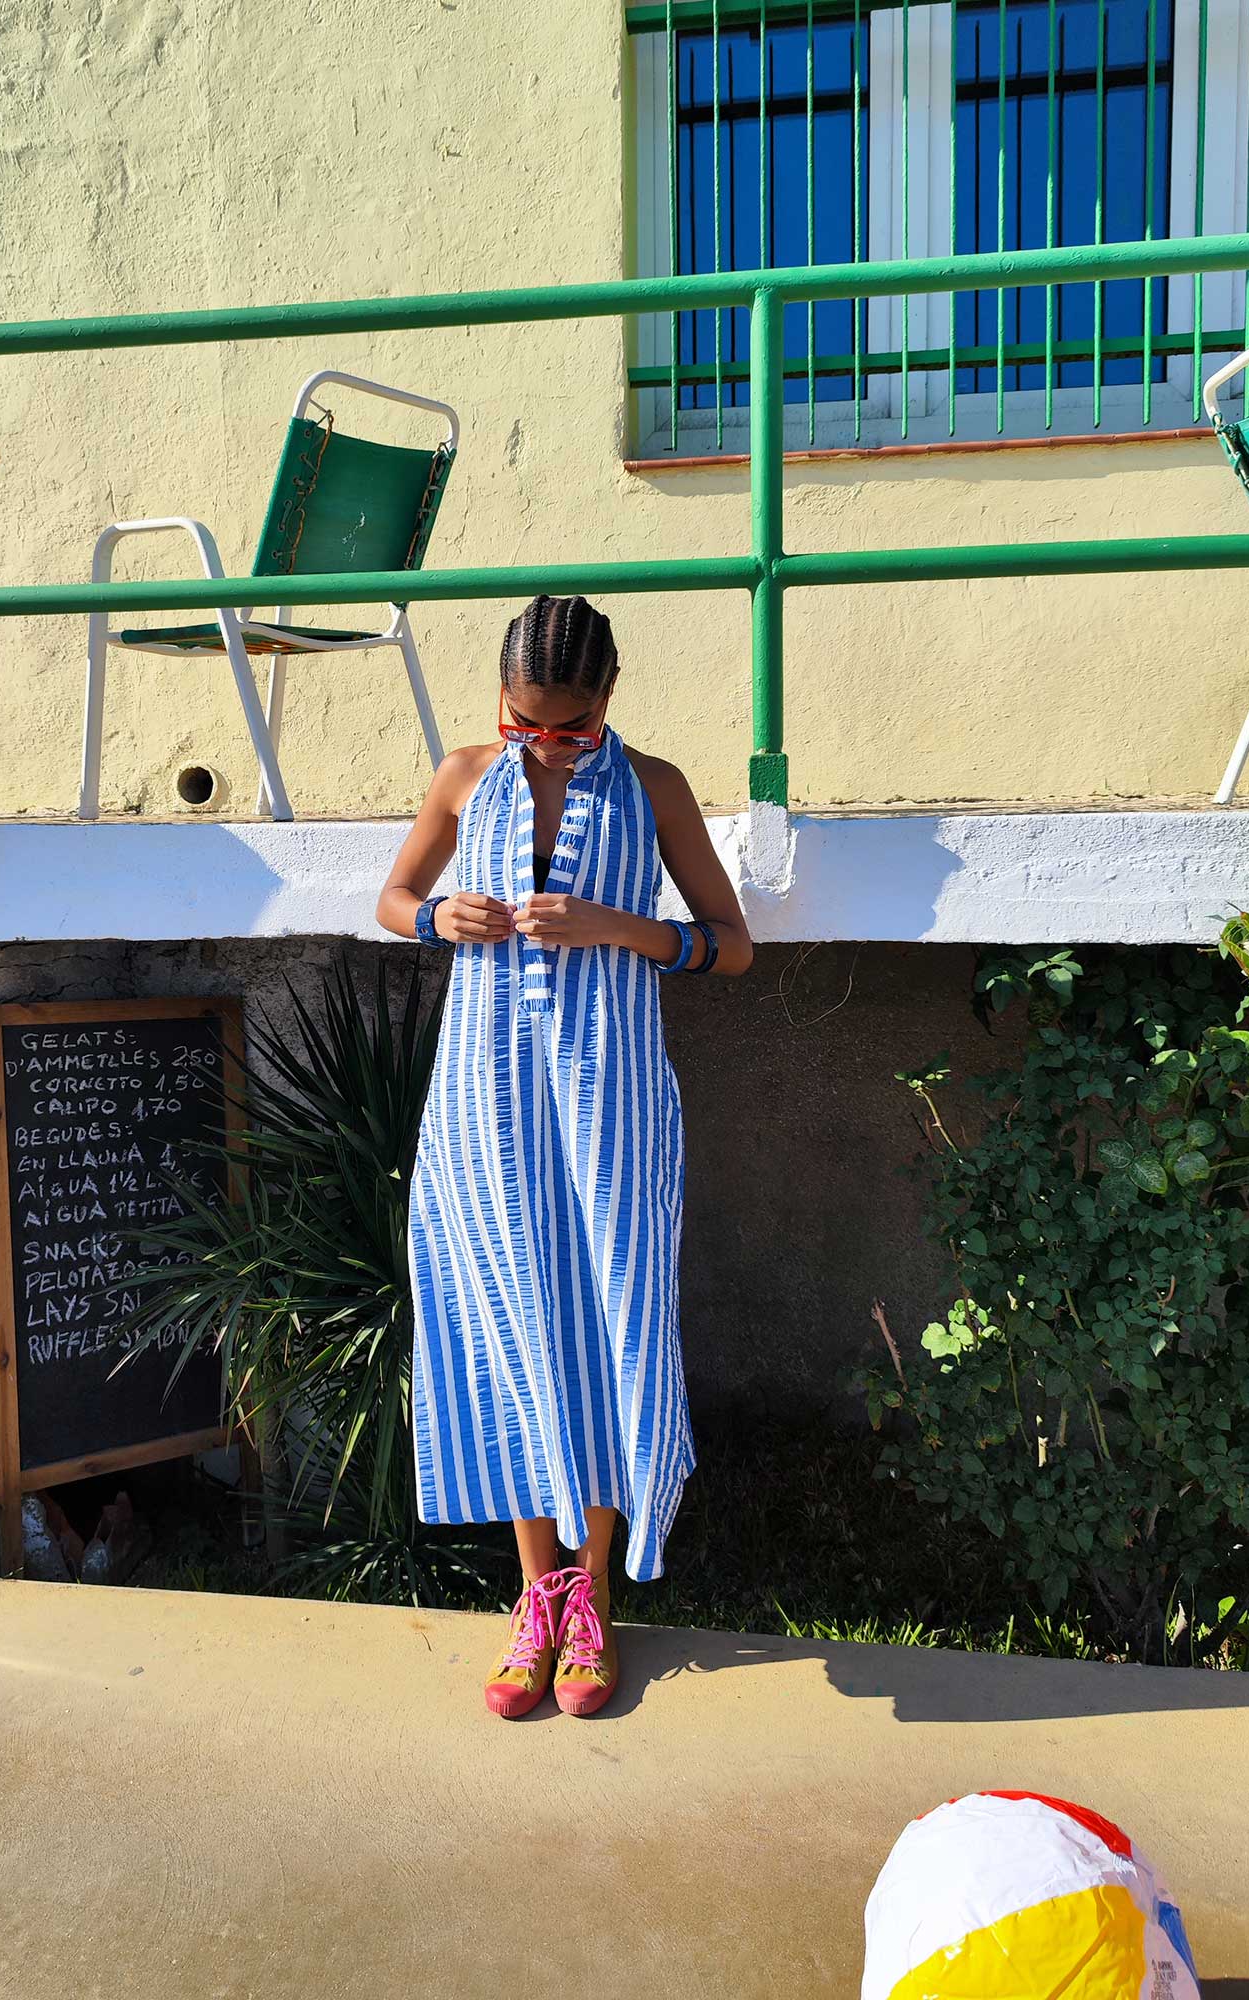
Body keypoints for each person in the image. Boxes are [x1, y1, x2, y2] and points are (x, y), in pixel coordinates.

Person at [376, 594, 753, 1718]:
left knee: (606, 1320)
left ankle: (595, 1597)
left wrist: (621, 927)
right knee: (505, 1321)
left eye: (567, 727)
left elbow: (730, 946)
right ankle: (534, 1595)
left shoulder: (655, 788)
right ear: (499, 700)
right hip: (483, 1104)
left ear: (607, 698)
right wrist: (434, 918)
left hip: (611, 1104)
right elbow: (392, 896)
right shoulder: (459, 778)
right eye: (521, 723)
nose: (542, 743)